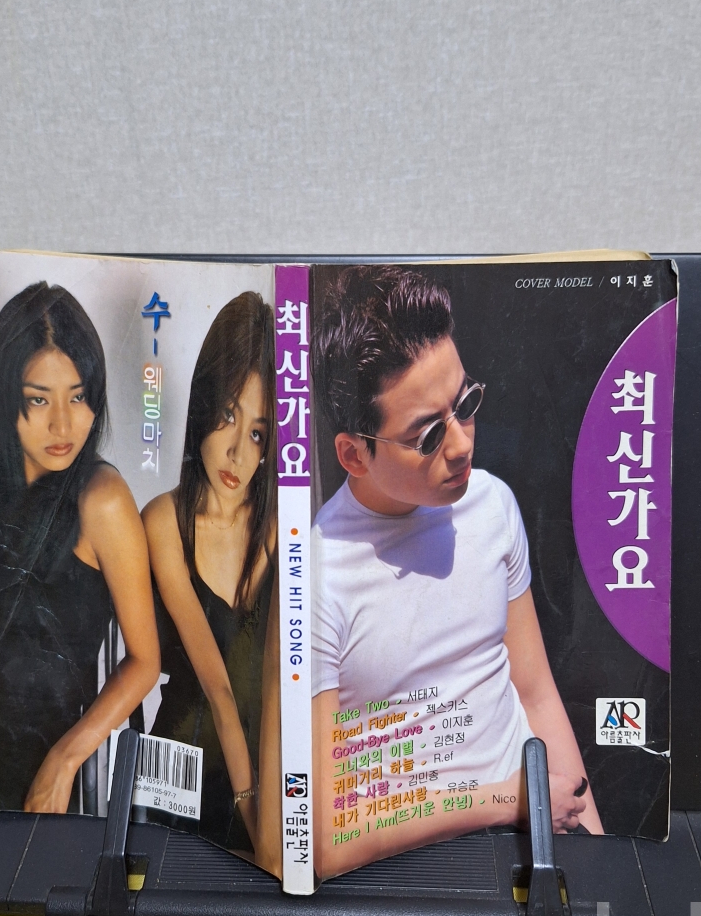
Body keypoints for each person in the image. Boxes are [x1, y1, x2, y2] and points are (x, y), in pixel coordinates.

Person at [310, 266, 603, 878]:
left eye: (465, 405)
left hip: (537, 827)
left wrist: (600, 855)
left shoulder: (491, 504)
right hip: (410, 865)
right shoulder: (316, 574)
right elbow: (326, 843)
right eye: (427, 435)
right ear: (353, 454)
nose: (462, 443)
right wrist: (508, 803)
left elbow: (535, 693)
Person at [0, 282, 161, 815]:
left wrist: (64, 761)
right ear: (4, 396)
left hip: (51, 768)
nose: (63, 424)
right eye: (38, 399)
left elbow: (145, 661)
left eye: (77, 396)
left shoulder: (103, 501)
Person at [142, 292, 281, 868]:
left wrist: (275, 816)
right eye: (227, 415)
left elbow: (281, 682)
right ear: (202, 404)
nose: (237, 453)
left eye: (258, 433)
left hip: (269, 775)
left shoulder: (279, 525)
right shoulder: (163, 522)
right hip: (185, 769)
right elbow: (219, 692)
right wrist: (257, 821)